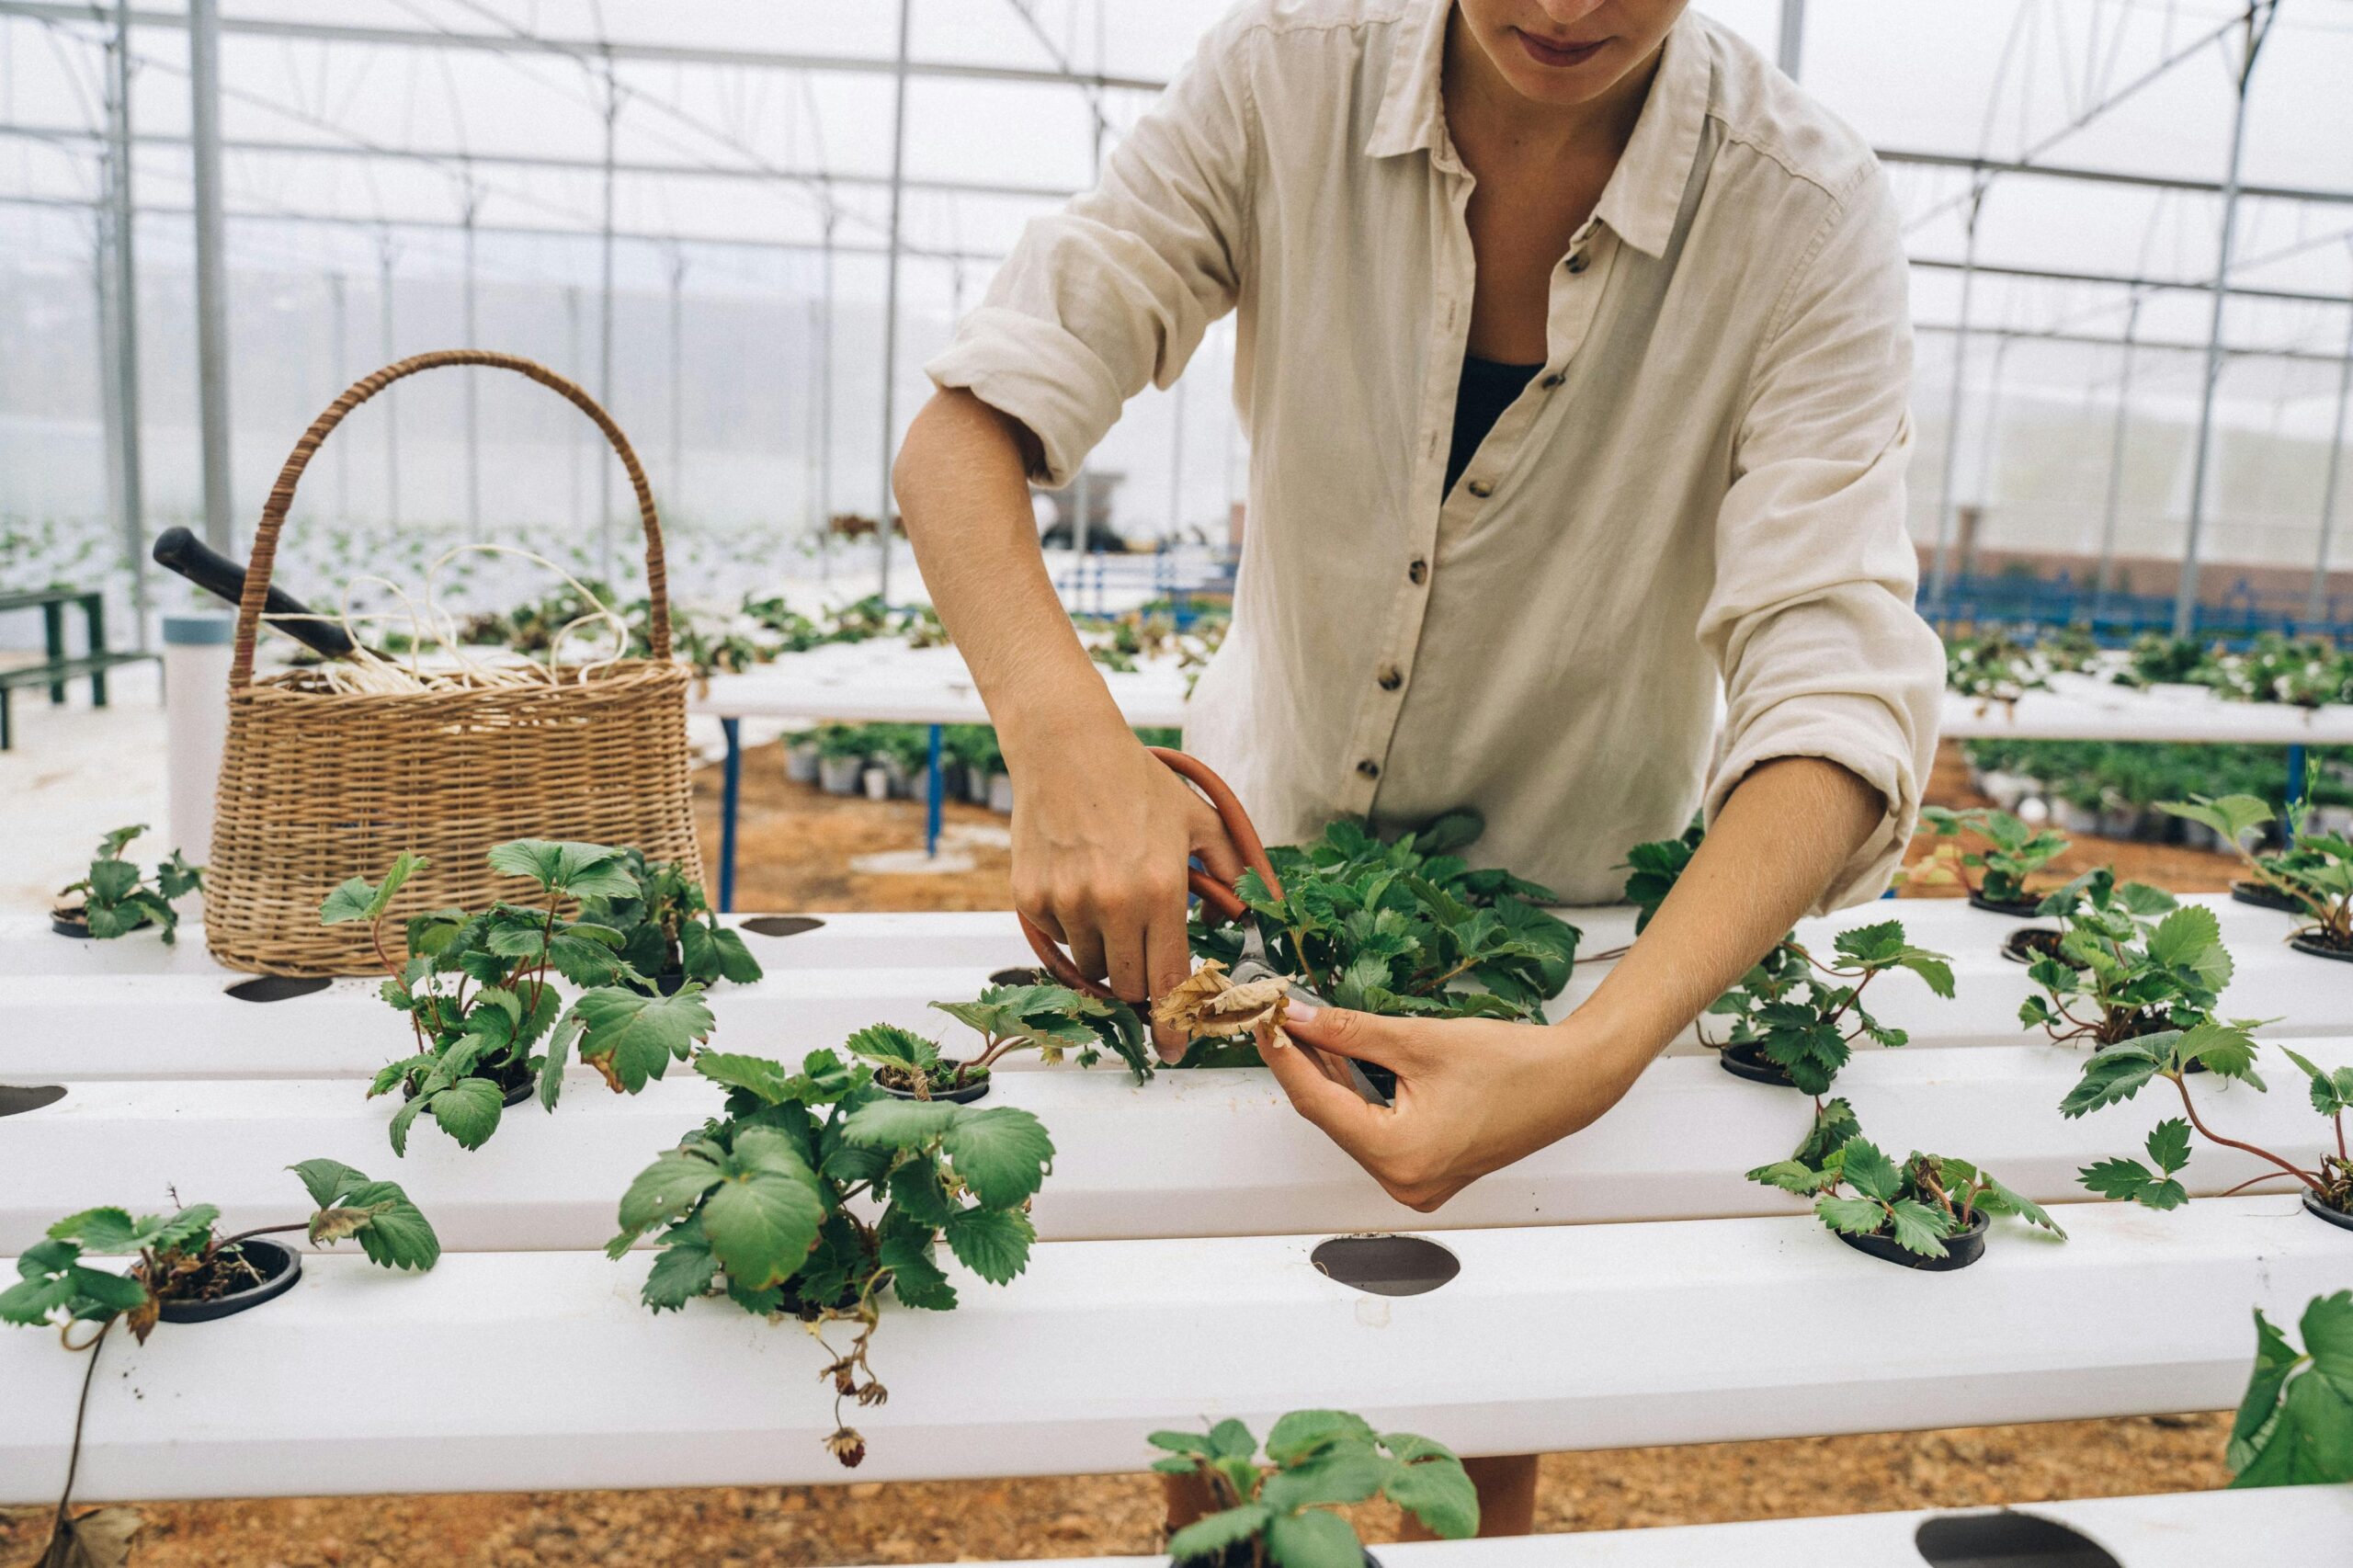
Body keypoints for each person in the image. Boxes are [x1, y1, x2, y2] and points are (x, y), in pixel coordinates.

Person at [892, 0, 1942, 1536]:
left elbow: (1836, 685)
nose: (1567, 8)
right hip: (1256, 864)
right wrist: (1069, 738)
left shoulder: (1802, 210)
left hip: (1559, 943)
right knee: (1211, 1313)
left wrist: (1602, 1045)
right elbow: (964, 429)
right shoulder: (1284, 80)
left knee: (1481, 1356)